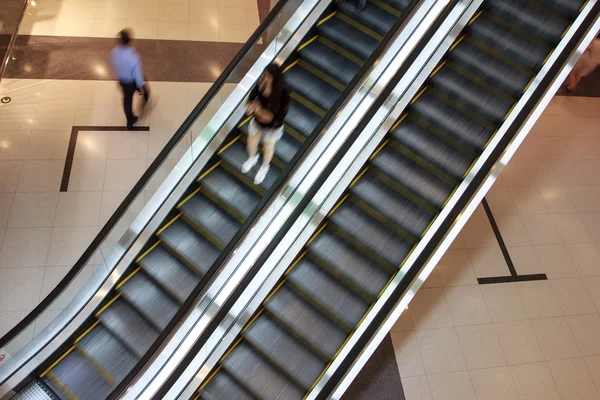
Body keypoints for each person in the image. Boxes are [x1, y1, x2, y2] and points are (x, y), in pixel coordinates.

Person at [242, 63, 289, 185]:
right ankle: (252, 158)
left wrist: (257, 110)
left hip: (274, 125)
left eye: (268, 75)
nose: (265, 77)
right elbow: (250, 101)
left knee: (268, 147)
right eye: (265, 74)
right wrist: (251, 108)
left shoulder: (282, 94)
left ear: (275, 78)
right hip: (258, 120)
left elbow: (270, 118)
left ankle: (264, 167)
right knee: (251, 142)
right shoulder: (261, 84)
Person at [109, 29, 149, 130]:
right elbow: (138, 74)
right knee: (146, 94)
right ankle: (142, 108)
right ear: (129, 41)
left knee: (127, 99)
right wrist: (141, 87)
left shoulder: (113, 52)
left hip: (122, 81)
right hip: (133, 81)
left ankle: (129, 120)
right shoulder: (133, 57)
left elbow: (112, 65)